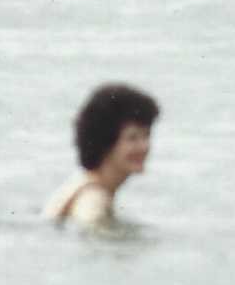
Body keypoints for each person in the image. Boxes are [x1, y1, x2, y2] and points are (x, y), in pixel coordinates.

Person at [44, 83, 160, 228]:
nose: (144, 146)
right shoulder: (93, 199)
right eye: (132, 138)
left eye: (146, 135)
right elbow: (91, 234)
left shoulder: (82, 183)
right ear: (105, 142)